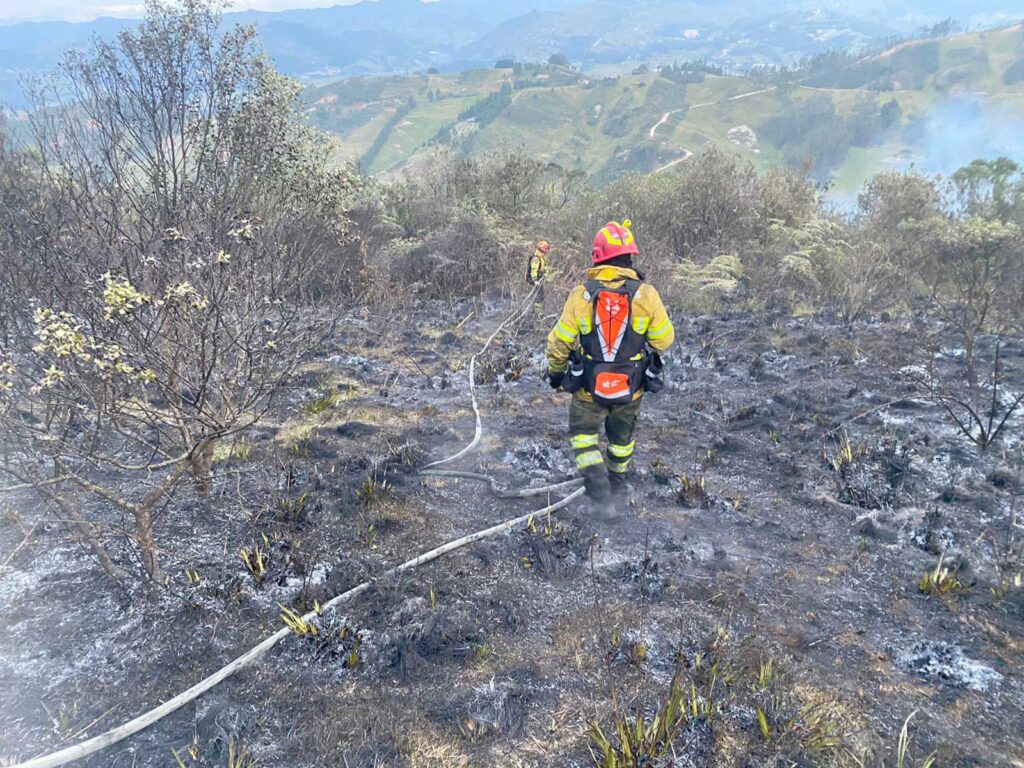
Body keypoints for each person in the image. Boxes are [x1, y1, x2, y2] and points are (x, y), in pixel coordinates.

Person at [545, 220, 675, 515]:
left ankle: (601, 497)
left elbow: (559, 343)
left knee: (583, 437)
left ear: (598, 257)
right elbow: (664, 340)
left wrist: (555, 373)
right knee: (620, 441)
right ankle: (617, 485)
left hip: (589, 391)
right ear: (630, 257)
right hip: (631, 389)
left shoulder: (581, 295)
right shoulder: (647, 294)